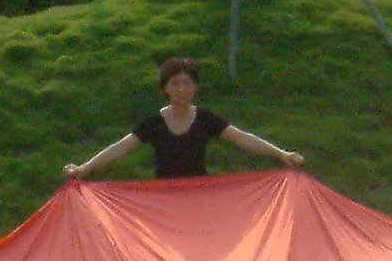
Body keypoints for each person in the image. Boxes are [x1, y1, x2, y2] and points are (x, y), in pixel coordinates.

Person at [63, 57, 305, 181]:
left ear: (195, 88)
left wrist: (281, 154)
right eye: (174, 83)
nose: (180, 89)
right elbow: (121, 148)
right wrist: (84, 168)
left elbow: (244, 139)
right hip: (164, 198)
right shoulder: (153, 123)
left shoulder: (206, 119)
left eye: (186, 83)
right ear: (165, 88)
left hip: (200, 195)